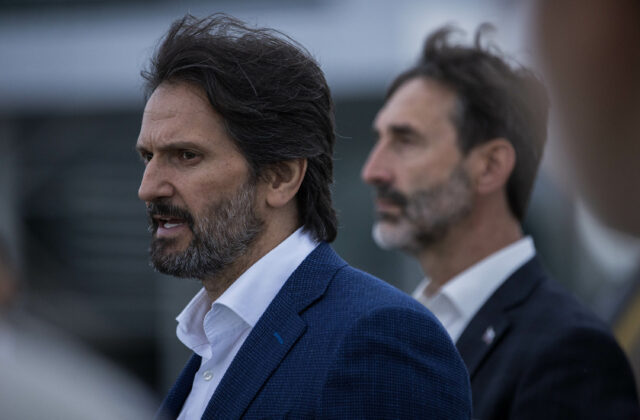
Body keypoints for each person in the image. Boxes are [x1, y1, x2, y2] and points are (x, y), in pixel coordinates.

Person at [137, 14, 471, 420]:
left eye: (186, 156)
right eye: (148, 156)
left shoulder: (380, 337)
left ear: (281, 177)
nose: (148, 188)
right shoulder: (211, 345)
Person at [361, 25, 640, 419]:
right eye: (380, 139)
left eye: (405, 141)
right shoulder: (390, 331)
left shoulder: (569, 350)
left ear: (490, 166)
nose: (373, 171)